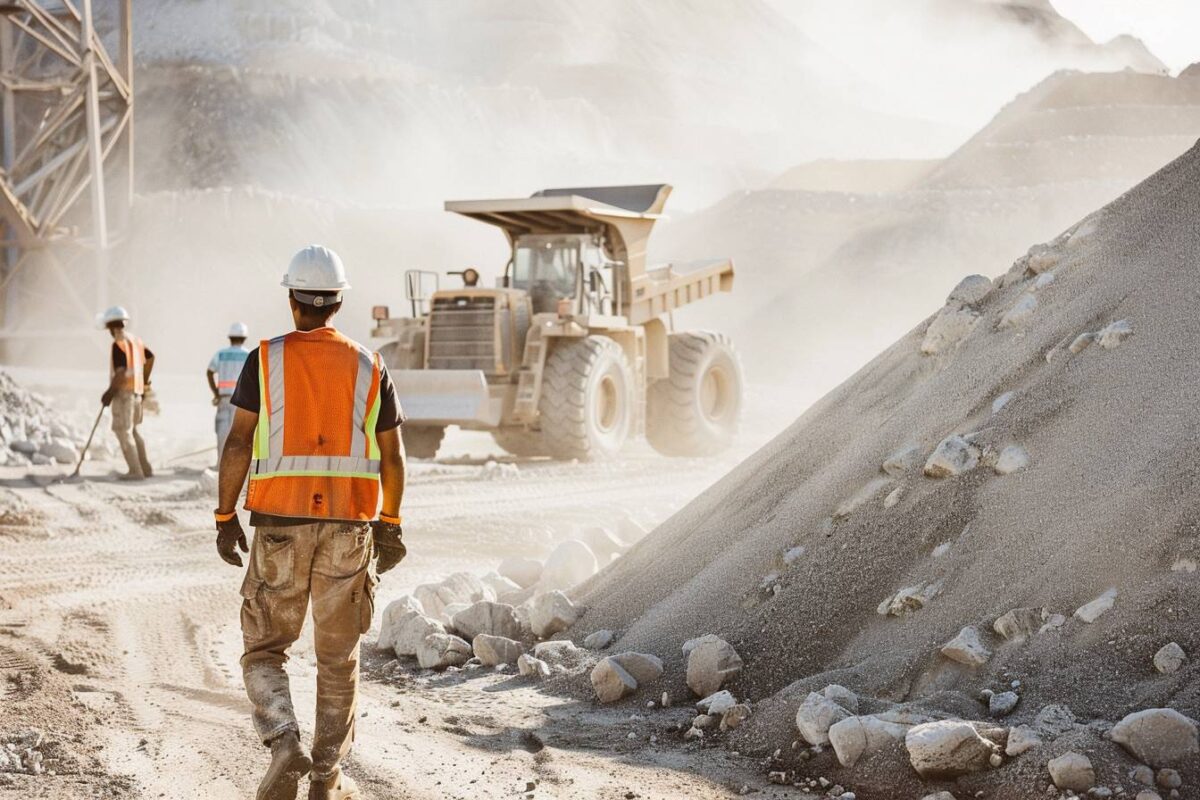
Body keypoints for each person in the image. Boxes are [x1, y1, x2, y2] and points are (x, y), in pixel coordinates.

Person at [212, 245, 407, 800]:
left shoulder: (264, 359)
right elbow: (393, 457)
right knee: (338, 659)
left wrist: (226, 516)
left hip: (277, 526)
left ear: (292, 299)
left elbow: (238, 442)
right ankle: (326, 780)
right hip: (350, 527)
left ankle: (282, 740)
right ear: (338, 302)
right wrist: (389, 523)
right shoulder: (371, 366)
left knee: (264, 648)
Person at [99, 305, 155, 480]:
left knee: (123, 430)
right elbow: (151, 357)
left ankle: (135, 471)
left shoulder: (119, 344)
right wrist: (144, 382)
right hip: (137, 393)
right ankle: (145, 468)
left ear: (111, 327)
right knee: (135, 430)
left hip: (124, 394)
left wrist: (109, 392)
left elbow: (121, 371)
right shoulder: (135, 341)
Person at [207, 322, 251, 459]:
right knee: (240, 435)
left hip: (224, 399)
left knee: (222, 433)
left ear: (230, 337)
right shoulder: (249, 355)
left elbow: (209, 372)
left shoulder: (221, 354)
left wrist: (215, 393)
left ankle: (220, 465)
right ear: (244, 338)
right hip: (242, 402)